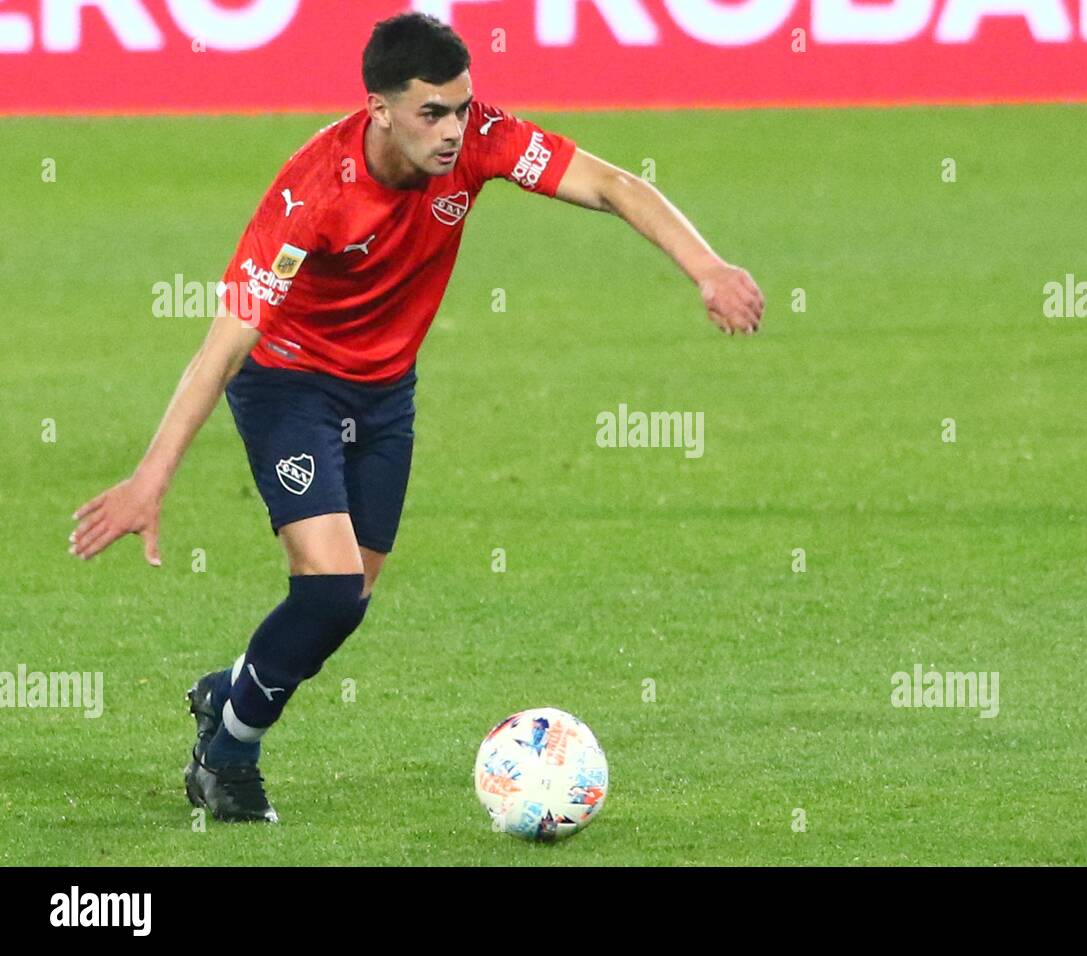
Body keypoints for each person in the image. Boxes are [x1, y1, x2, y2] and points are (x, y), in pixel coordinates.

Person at [69, 12, 765, 823]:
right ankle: (227, 752)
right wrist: (151, 477)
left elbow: (612, 184)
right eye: (431, 113)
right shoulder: (310, 194)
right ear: (379, 109)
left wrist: (707, 267)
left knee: (347, 602)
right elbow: (223, 347)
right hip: (289, 386)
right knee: (327, 588)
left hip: (384, 394)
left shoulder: (480, 144)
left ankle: (229, 690)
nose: (453, 130)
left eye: (462, 107)